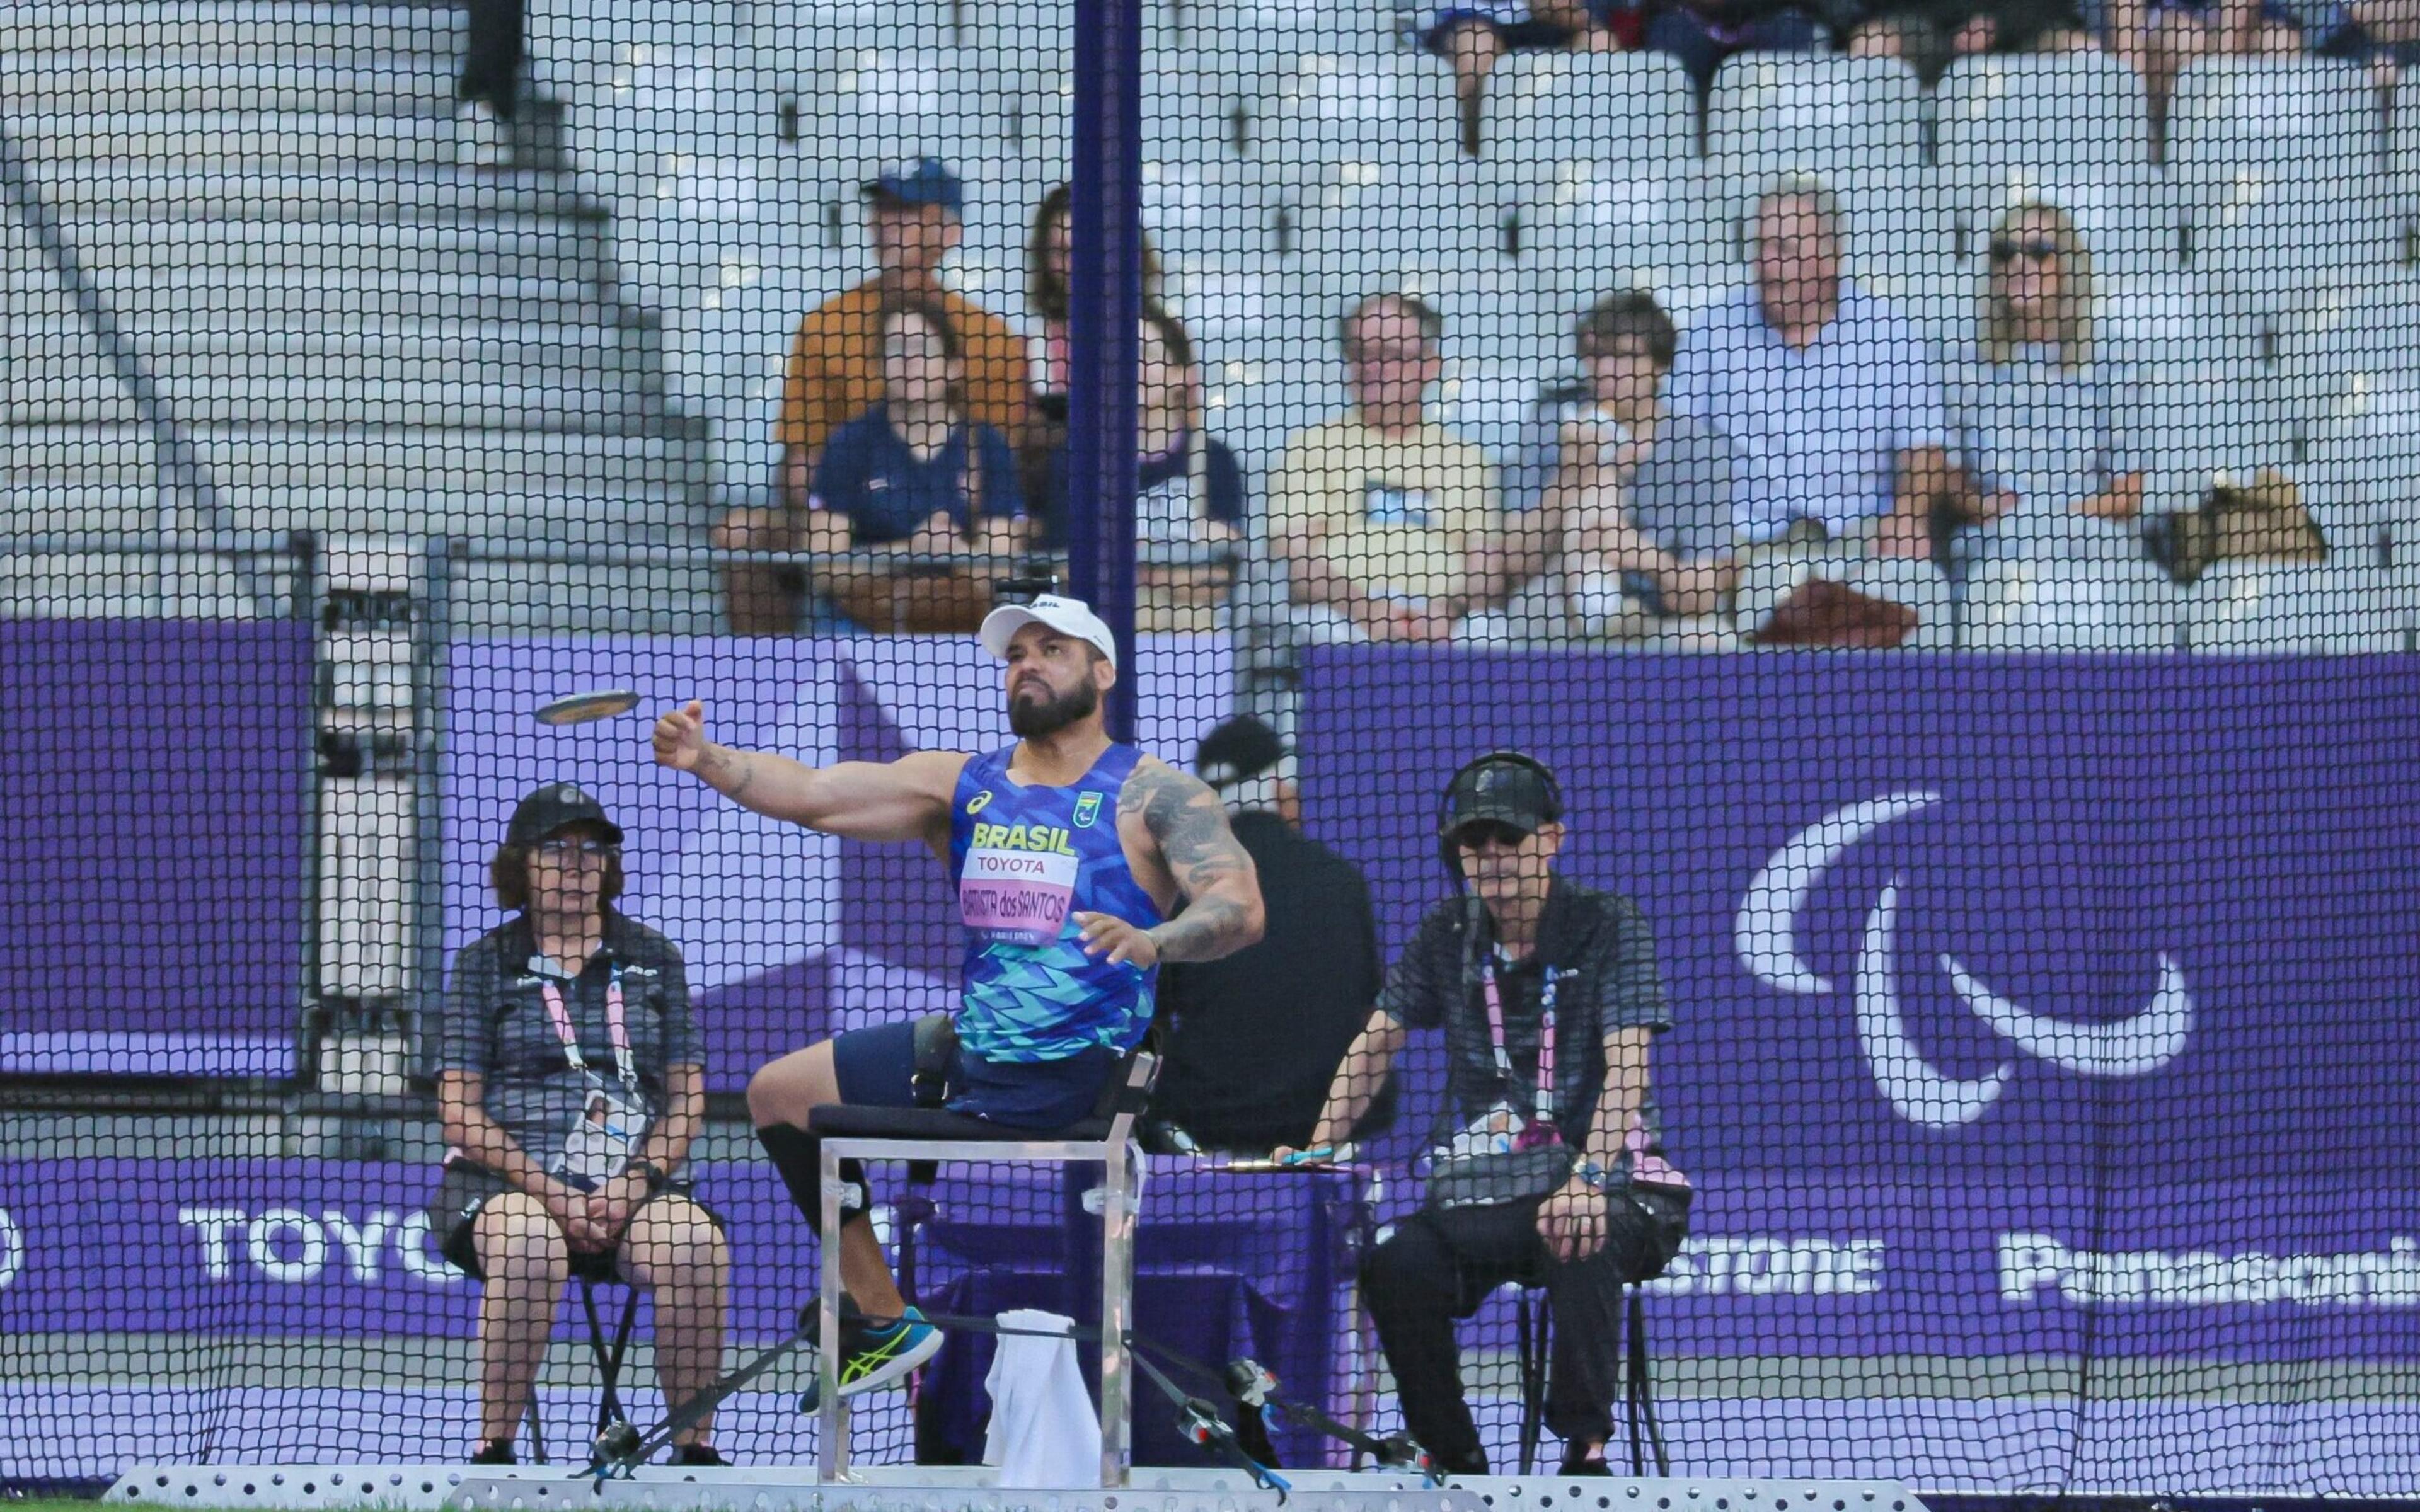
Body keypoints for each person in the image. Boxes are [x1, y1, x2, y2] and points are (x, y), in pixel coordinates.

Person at [650, 593, 1265, 1399]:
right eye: (1016, 655)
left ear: (1102, 672)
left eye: (1052, 649)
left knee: (821, 1093)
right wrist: (708, 758)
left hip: (1075, 1076)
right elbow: (816, 792)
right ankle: (886, 1318)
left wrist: (1156, 940)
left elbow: (1239, 908)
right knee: (778, 1093)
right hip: (977, 1058)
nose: (1028, 665)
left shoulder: (1154, 795)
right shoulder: (962, 785)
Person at [1282, 753, 1690, 1477]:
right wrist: (1316, 1151)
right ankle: (1457, 1458)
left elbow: (1628, 1062)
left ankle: (1584, 1455)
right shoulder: (1448, 934)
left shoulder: (1606, 925)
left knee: (1577, 1231)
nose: (1492, 857)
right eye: (1475, 843)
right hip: (1489, 1189)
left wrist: (1589, 1179)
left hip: (1617, 1185)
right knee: (1396, 1266)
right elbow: (1376, 1041)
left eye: (1510, 837)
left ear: (1553, 838)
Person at [429, 784, 729, 1467]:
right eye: (556, 849)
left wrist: (636, 1182)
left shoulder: (654, 957)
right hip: (505, 1186)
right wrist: (550, 1191)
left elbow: (687, 1101)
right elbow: (458, 1111)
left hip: (631, 1187)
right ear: (520, 866)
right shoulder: (483, 965)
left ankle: (694, 1453)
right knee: (532, 1244)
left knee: (694, 1244)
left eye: (593, 848)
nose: (577, 864)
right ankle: (495, 1450)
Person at [715, 159, 1033, 634]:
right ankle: (768, 693)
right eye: (880, 211)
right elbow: (801, 464)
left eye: (905, 212)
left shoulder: (993, 341)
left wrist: (942, 527)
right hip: (847, 514)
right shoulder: (826, 327)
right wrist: (860, 515)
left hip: (961, 526)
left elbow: (1002, 468)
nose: (885, 225)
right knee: (740, 533)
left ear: (948, 233)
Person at [1667, 173, 1996, 561]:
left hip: (1862, 534)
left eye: (1784, 249)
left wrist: (1908, 516)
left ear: (1831, 257)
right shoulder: (1711, 332)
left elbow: (1925, 448)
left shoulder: (1889, 334)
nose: (1767, 265)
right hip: (1744, 540)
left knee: (1913, 587)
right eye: (1761, 248)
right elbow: (1673, 440)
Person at [1149, 716, 1387, 1154]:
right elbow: (1372, 1013)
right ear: (1281, 788)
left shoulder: (1184, 891)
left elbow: (1150, 1018)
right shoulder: (1340, 882)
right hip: (1322, 1126)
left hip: (1206, 1128)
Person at [1947, 201, 2172, 646]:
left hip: (2092, 541)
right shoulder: (1964, 363)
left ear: (2068, 266)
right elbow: (1951, 479)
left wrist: (2059, 520)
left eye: (2039, 251)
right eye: (2004, 251)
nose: (2018, 264)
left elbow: (2129, 489)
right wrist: (1988, 508)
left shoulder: (2114, 360)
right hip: (1998, 542)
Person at [1498, 290, 1744, 640]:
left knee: (1709, 640)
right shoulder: (1550, 423)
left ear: (1659, 366)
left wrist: (1640, 555)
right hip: (1558, 607)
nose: (1607, 371)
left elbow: (1702, 595)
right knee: (1523, 612)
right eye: (1597, 355)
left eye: (1626, 356)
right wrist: (1568, 477)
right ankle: (1599, 614)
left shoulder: (1699, 451)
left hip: (1658, 616)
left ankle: (1616, 617)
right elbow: (1515, 563)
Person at [1267, 293, 1507, 644]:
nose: (1373, 366)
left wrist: (1447, 611)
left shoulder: (1467, 457)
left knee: (1490, 635)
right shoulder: (1309, 448)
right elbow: (1297, 567)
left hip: (1446, 617)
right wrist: (1365, 609)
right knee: (1323, 631)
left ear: (1430, 365)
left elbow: (1488, 571)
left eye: (1392, 354)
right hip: (1342, 615)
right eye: (1362, 353)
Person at [803, 297, 1029, 633]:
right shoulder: (849, 444)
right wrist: (911, 550)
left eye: (923, 347)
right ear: (879, 365)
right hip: (865, 625)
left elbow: (1004, 570)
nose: (909, 360)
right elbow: (824, 568)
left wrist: (955, 552)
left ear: (954, 367)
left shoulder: (987, 446)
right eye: (895, 349)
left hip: (966, 628)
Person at [1039, 308, 1247, 631]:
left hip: (1195, 636)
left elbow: (1223, 571)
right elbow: (1064, 567)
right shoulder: (1076, 460)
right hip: (1102, 627)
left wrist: (1133, 559)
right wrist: (1180, 550)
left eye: (1146, 355)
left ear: (1182, 375)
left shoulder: (1214, 458)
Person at [1420, 1, 1645, 150]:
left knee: (1600, 43)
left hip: (1539, 22)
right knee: (1476, 48)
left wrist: (1563, 9)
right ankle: (1474, 158)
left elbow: (1576, 14)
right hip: (1469, 16)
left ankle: (1591, 158)